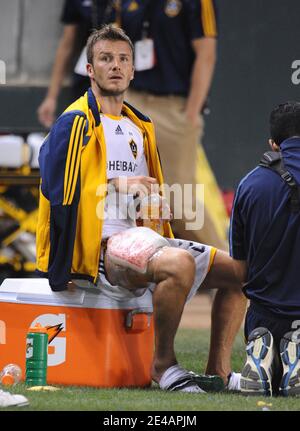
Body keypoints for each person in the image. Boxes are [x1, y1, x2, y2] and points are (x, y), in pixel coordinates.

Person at [36, 25, 245, 392]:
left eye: (123, 60)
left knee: (242, 273)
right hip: (100, 249)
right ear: (90, 70)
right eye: (105, 59)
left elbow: (145, 198)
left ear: (133, 70)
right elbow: (57, 189)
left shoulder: (140, 126)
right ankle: (163, 365)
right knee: (178, 264)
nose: (115, 66)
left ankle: (219, 373)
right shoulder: (74, 122)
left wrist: (153, 204)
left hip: (143, 240)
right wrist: (116, 185)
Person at [120, 0, 229, 250]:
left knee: (179, 201)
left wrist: (191, 111)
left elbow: (207, 53)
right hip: (130, 99)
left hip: (173, 107)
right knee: (124, 195)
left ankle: (230, 275)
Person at [230, 101, 300, 396]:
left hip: (262, 317)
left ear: (273, 143)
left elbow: (239, 271)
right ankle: (295, 356)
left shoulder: (249, 184)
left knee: (263, 322)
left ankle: (264, 356)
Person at [37, 0, 117, 128]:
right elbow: (66, 45)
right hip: (86, 79)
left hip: (120, 81)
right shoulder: (77, 3)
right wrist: (51, 97)